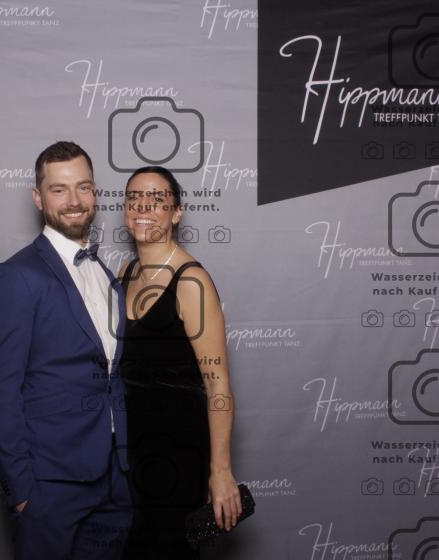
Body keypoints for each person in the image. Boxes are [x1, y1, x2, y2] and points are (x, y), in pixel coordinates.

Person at [0, 141, 132, 559]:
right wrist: (23, 490)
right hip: (50, 486)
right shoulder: (16, 276)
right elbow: (0, 390)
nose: (74, 201)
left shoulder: (107, 274)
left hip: (115, 480)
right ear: (38, 197)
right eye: (59, 189)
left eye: (83, 187)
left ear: (95, 192)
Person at [118, 166, 241, 559]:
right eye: (134, 198)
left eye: (156, 199)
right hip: (130, 449)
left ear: (177, 212)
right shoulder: (125, 273)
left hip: (178, 451)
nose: (143, 207)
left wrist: (220, 471)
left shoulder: (191, 282)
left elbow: (218, 384)